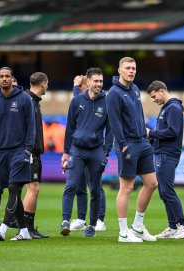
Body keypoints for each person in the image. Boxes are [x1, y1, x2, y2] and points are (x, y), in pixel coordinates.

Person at [106, 57, 158, 243]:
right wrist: (122, 144)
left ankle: (137, 226)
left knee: (152, 183)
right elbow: (114, 121)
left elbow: (139, 115)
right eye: (128, 68)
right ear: (119, 70)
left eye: (134, 68)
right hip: (127, 144)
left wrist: (144, 136)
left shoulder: (135, 89)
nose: (131, 71)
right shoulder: (113, 93)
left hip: (142, 142)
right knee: (126, 187)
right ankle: (122, 232)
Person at [60, 67, 113, 238]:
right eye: (96, 81)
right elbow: (69, 127)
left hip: (96, 151)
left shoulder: (108, 101)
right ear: (88, 82)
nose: (99, 84)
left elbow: (110, 130)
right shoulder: (76, 101)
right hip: (77, 150)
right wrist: (65, 152)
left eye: (101, 81)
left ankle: (91, 226)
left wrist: (105, 153)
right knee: (71, 185)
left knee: (96, 190)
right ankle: (65, 221)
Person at [0, 67, 35, 241]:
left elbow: (31, 126)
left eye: (8, 76)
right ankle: (24, 231)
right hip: (1, 153)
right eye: (2, 76)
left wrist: (27, 149)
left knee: (14, 188)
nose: (5, 79)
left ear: (12, 79)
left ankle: (3, 228)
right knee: (11, 191)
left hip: (19, 151)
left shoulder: (24, 99)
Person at [146, 80, 184, 239]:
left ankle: (182, 225)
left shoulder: (173, 108)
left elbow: (172, 131)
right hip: (161, 153)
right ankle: (172, 227)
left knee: (167, 190)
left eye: (154, 96)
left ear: (161, 91)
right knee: (163, 191)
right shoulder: (167, 107)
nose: (154, 100)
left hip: (168, 154)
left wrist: (151, 133)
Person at [69, 75, 107, 232]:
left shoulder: (101, 100)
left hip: (94, 148)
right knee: (79, 184)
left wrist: (75, 87)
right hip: (79, 147)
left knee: (96, 186)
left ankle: (99, 219)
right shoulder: (81, 99)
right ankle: (81, 218)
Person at [21, 72, 49, 239]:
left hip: (34, 152)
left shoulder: (33, 101)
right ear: (43, 84)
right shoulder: (29, 101)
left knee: (33, 189)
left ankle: (28, 228)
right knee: (33, 189)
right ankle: (25, 229)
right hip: (30, 152)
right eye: (47, 84)